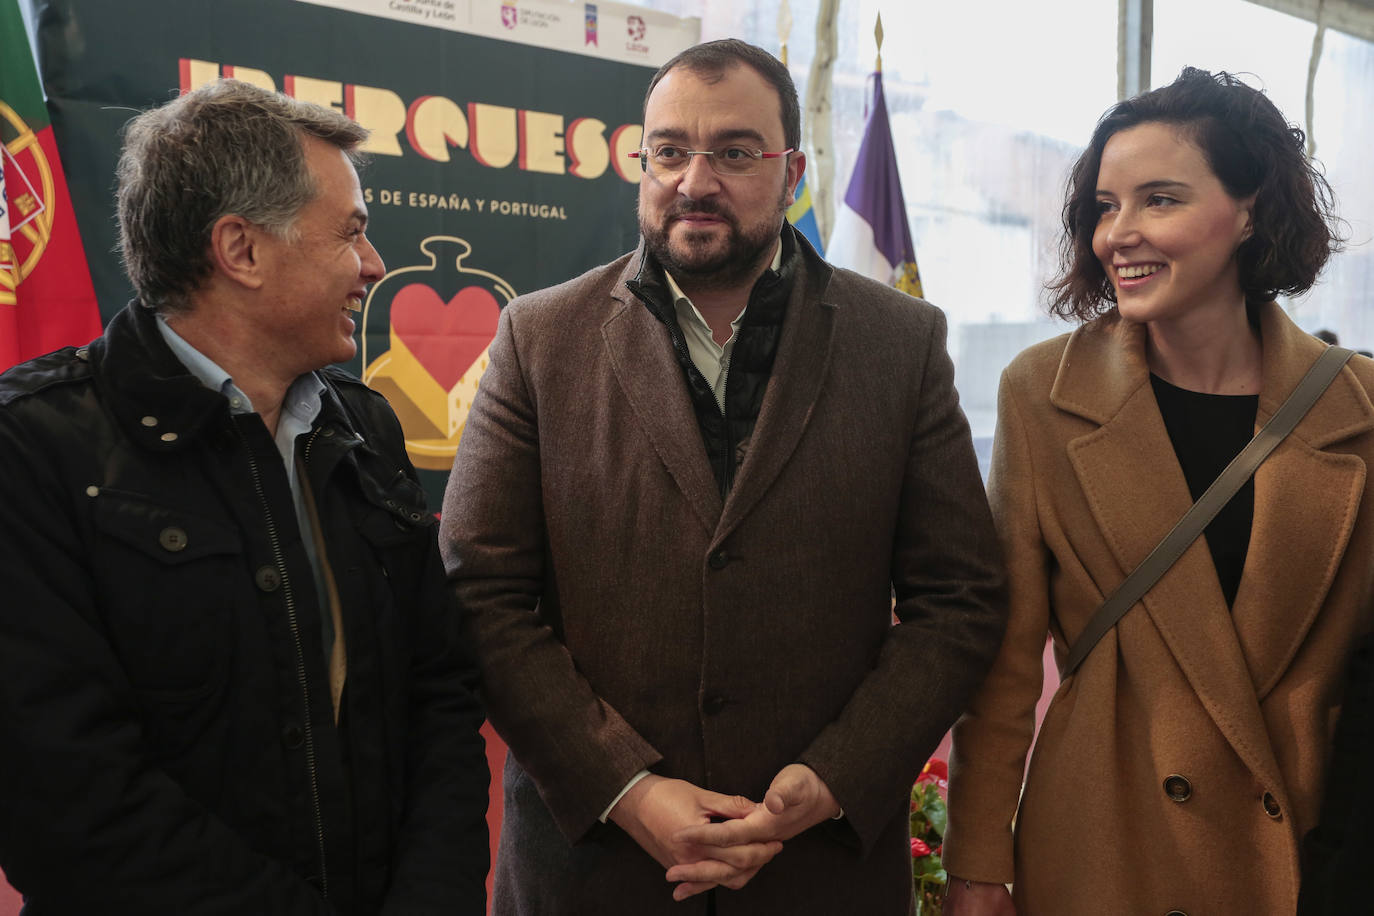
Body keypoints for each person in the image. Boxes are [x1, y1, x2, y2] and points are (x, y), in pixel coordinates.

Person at [440, 38, 1006, 916]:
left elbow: (959, 598)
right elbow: (481, 592)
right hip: (596, 876)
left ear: (793, 171)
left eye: (735, 152)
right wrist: (627, 788)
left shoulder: (900, 345)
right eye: (668, 151)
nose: (694, 180)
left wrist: (830, 778)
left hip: (817, 873)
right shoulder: (539, 339)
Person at [0, 80, 489, 914]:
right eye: (352, 232)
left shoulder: (367, 427)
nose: (374, 265)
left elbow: (438, 695)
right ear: (242, 249)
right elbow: (64, 796)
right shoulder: (31, 447)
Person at [942, 67, 1369, 916]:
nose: (1119, 234)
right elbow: (1004, 663)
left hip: (1304, 850)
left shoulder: (1356, 408)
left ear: (1250, 210)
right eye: (1105, 206)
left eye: (1160, 200)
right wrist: (978, 865)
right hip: (1107, 837)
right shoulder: (1044, 394)